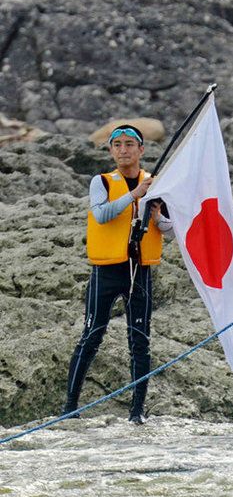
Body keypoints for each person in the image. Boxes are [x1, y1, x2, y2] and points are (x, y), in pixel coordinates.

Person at [62, 124, 172, 424]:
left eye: (129, 144)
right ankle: (70, 407)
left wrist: (158, 217)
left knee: (139, 340)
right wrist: (135, 195)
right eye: (118, 145)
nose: (124, 149)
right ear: (111, 150)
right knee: (92, 335)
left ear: (141, 150)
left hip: (140, 270)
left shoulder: (156, 183)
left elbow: (170, 228)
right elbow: (101, 214)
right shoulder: (101, 182)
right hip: (107, 271)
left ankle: (137, 412)